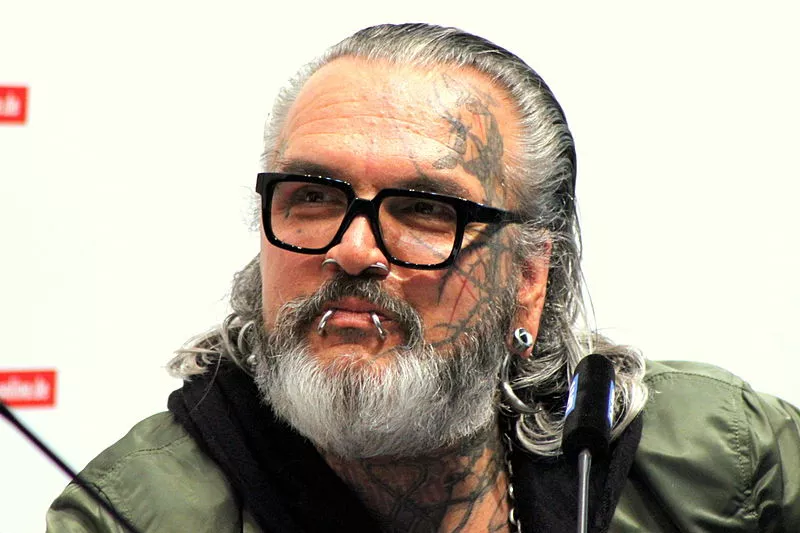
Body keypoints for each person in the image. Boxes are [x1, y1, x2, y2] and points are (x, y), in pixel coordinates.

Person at [46, 23, 800, 533]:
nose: (352, 250)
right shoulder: (136, 516)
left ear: (529, 280)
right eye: (312, 197)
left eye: (424, 209)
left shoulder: (721, 461)